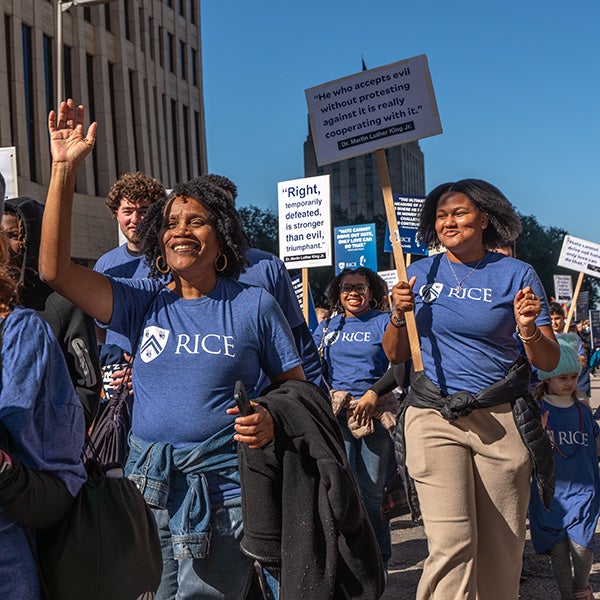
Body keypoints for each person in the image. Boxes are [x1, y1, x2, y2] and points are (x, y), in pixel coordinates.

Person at [39, 99, 305, 599]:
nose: (181, 229)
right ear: (159, 241)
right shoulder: (140, 304)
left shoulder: (254, 305)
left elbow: (296, 391)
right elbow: (54, 271)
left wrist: (270, 416)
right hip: (148, 489)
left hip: (224, 492)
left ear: (220, 236)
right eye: (172, 222)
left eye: (197, 220)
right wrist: (62, 171)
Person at [384, 178, 559, 600]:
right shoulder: (417, 274)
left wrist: (528, 329)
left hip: (500, 420)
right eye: (441, 215)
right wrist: (396, 314)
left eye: (459, 212)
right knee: (451, 544)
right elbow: (395, 356)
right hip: (434, 417)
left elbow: (550, 361)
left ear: (484, 218)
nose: (450, 222)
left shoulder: (517, 274)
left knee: (503, 548)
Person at [0, 203, 87, 599]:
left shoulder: (27, 325)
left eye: (20, 233)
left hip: (19, 500)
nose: (16, 243)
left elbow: (14, 415)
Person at [199, 173, 325, 393]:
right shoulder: (179, 272)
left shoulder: (267, 266)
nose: (221, 215)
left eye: (227, 207)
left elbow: (299, 340)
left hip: (264, 405)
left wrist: (316, 398)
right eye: (211, 206)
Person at [313, 267, 399, 571]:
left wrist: (373, 394)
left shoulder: (384, 322)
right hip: (338, 415)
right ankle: (352, 558)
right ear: (338, 293)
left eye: (360, 287)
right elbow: (313, 367)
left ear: (371, 292)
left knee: (372, 492)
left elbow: (400, 365)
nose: (353, 292)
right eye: (347, 287)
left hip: (375, 414)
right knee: (343, 490)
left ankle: (379, 558)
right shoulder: (327, 327)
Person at [2, 197, 101, 428]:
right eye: (0, 235)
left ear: (34, 239)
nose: (5, 244)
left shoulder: (65, 303)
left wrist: (65, 436)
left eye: (13, 235)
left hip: (47, 449)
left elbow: (87, 383)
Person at [528, 337, 599, 600]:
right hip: (551, 494)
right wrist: (539, 433)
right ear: (547, 378)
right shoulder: (538, 409)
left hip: (584, 490)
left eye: (573, 376)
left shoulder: (582, 409)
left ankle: (582, 587)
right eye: (562, 378)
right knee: (558, 551)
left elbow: (596, 443)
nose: (569, 383)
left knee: (582, 547)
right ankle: (567, 595)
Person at [93, 171, 167, 402]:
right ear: (116, 214)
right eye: (128, 211)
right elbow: (97, 329)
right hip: (115, 382)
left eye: (144, 211)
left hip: (160, 376)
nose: (135, 219)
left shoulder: (171, 260)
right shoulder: (105, 264)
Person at [549, 302, 591, 402]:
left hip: (575, 388)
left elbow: (582, 361)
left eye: (557, 318)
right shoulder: (544, 339)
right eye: (551, 319)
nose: (554, 322)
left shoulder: (573, 339)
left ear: (563, 317)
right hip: (552, 391)